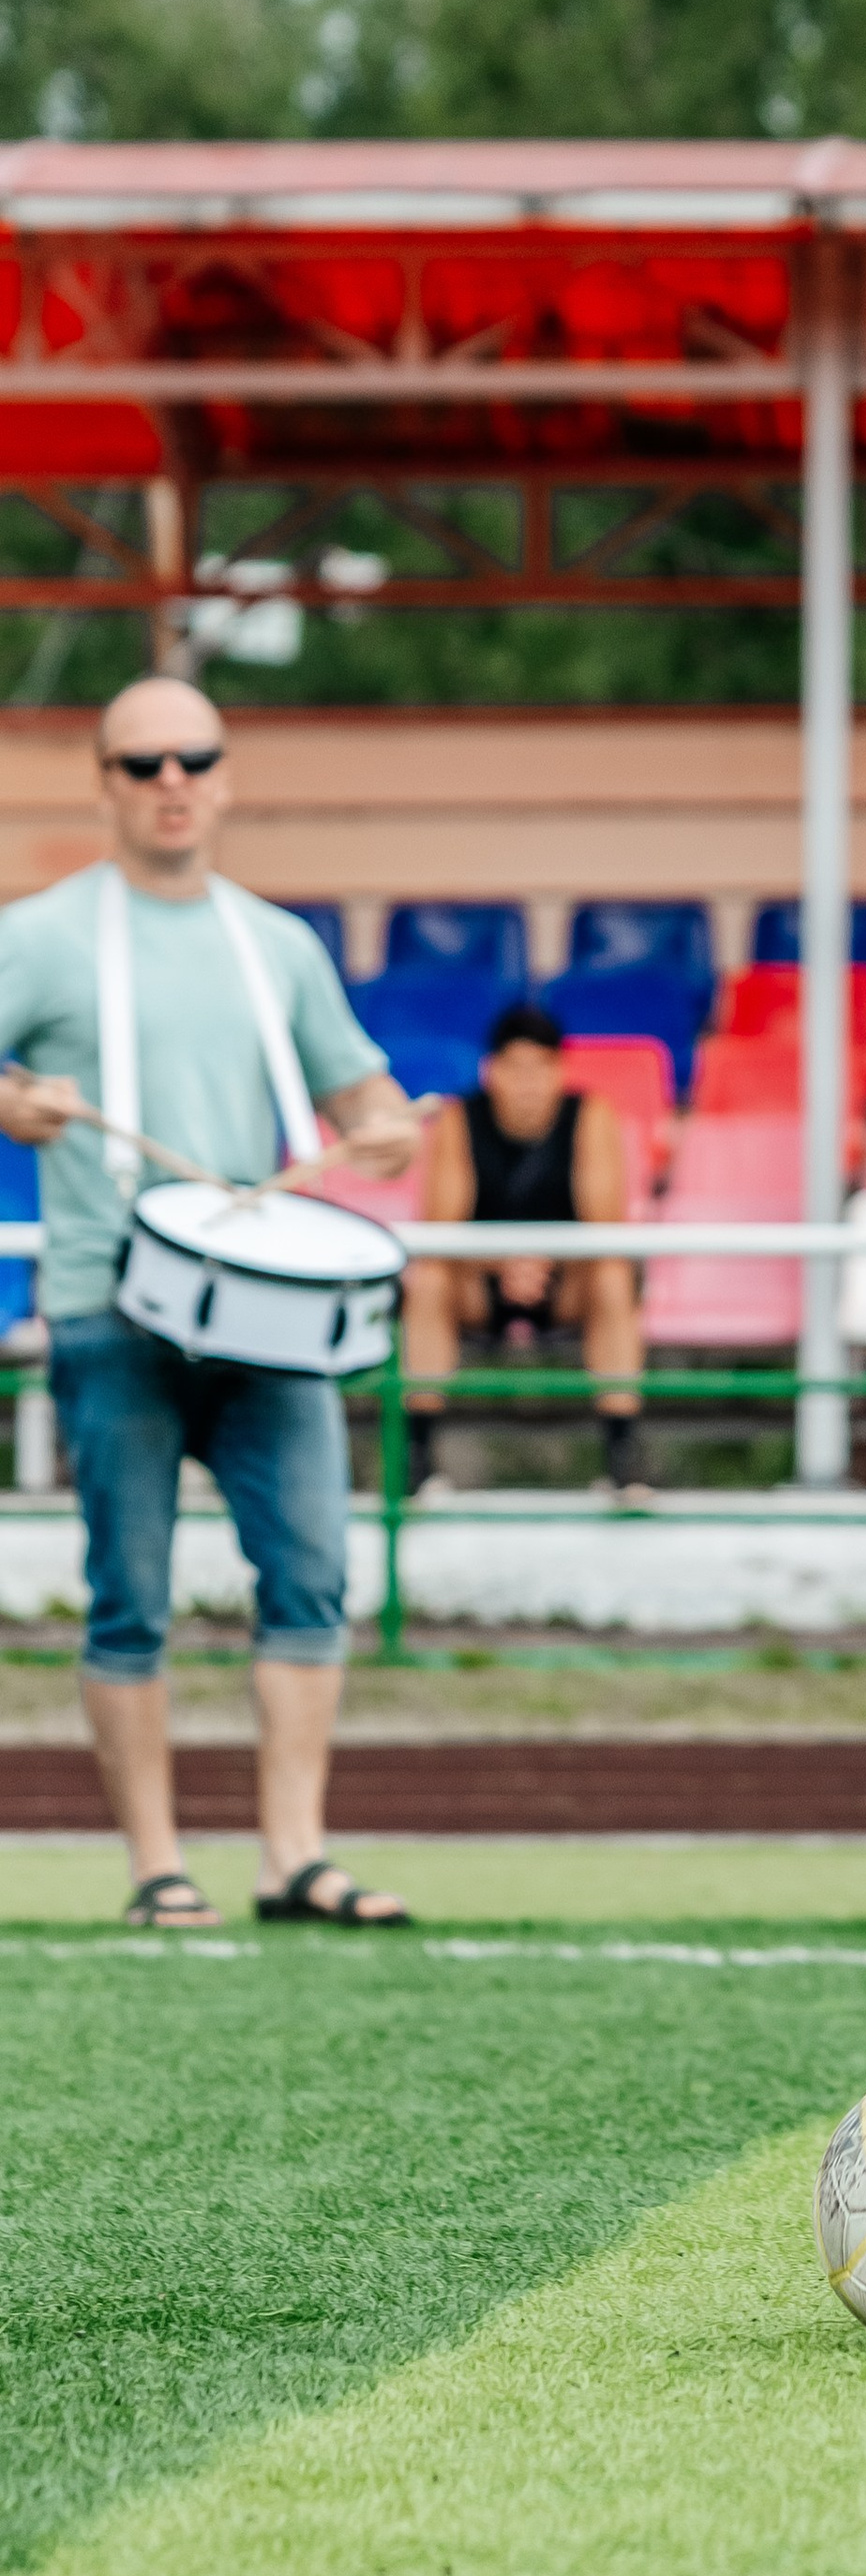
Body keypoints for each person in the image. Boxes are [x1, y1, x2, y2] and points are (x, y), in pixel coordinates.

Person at [0, 679, 424, 1931]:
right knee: (128, 1591)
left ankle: (293, 1854)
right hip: (105, 1302)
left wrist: (386, 1130)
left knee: (310, 1573)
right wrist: (9, 1102)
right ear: (106, 783)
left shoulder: (276, 940)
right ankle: (155, 1864)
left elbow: (364, 1093)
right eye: (144, 763)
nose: (172, 779)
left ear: (227, 774)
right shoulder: (42, 933)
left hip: (270, 1312)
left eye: (195, 756)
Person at [402, 1004, 646, 1498]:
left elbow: (606, 1226)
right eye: (515, 1068)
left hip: (567, 1279)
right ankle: (417, 1456)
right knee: (428, 1281)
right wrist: (502, 1262)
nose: (528, 1084)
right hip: (478, 1280)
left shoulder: (589, 1116)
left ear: (561, 1072)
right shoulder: (458, 1119)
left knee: (613, 1277)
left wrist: (544, 1261)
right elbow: (441, 1228)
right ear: (491, 1072)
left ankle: (624, 1457)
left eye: (541, 1068)